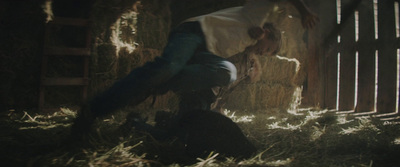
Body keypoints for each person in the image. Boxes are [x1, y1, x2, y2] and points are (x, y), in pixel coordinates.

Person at [71, 0, 318, 137]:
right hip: (193, 33)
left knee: (226, 73)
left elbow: (236, 80)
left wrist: (256, 63)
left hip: (207, 55)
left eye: (268, 54)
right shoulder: (256, 15)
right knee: (167, 66)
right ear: (266, 32)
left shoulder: (245, 52)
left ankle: (152, 95)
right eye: (268, 48)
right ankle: (94, 109)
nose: (264, 53)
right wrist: (304, 10)